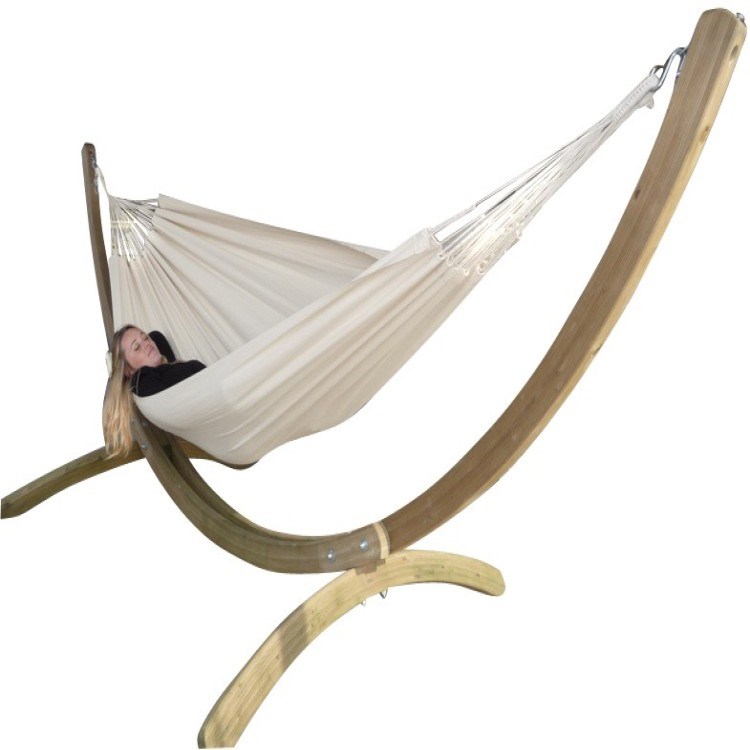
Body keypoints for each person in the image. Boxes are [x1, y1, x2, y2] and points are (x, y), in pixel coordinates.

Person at [102, 325, 205, 457]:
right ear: (128, 370)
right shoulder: (143, 382)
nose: (147, 343)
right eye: (136, 347)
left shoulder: (168, 369)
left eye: (146, 338)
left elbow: (157, 338)